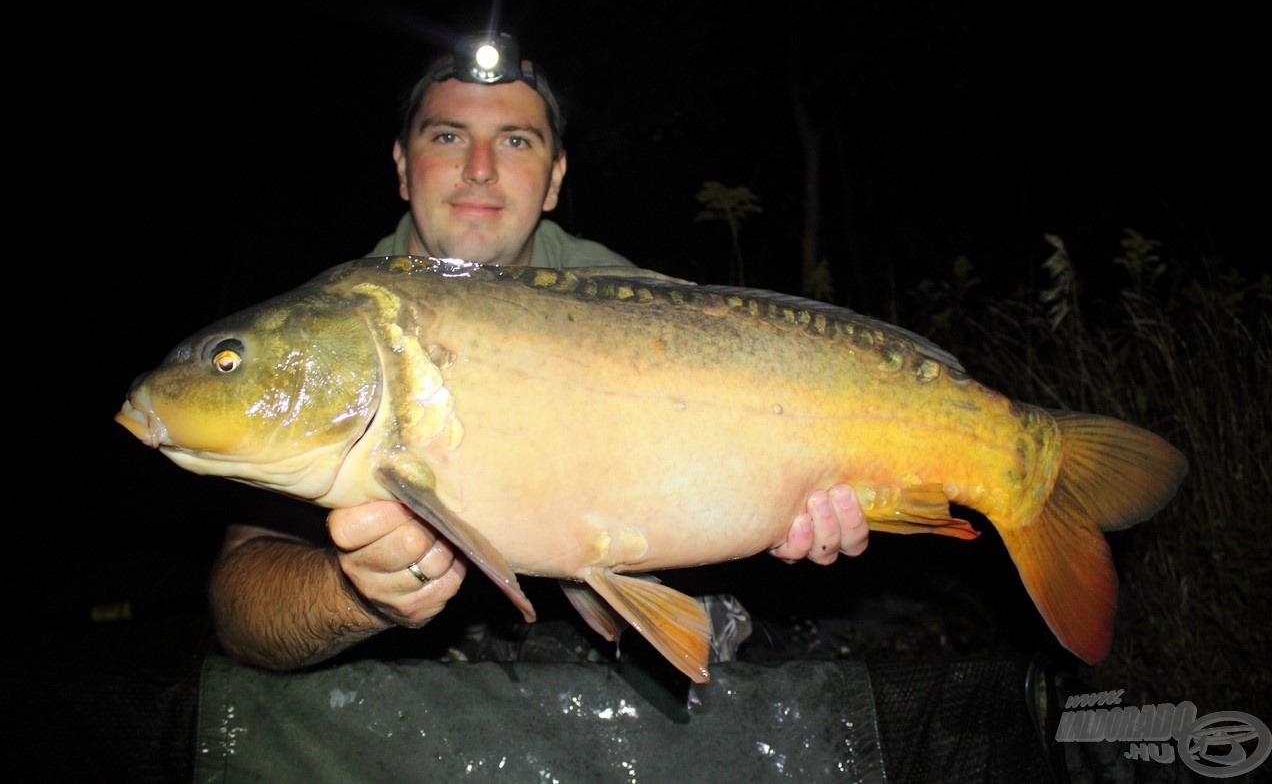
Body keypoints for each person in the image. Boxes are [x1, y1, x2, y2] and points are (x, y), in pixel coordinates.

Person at [208, 34, 870, 671]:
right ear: (404, 168)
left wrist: (786, 501)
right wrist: (354, 590)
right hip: (418, 664)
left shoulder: (623, 301)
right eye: (447, 136)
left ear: (554, 180)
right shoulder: (334, 326)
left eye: (515, 140)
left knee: (720, 622)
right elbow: (240, 611)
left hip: (607, 587)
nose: (479, 168)